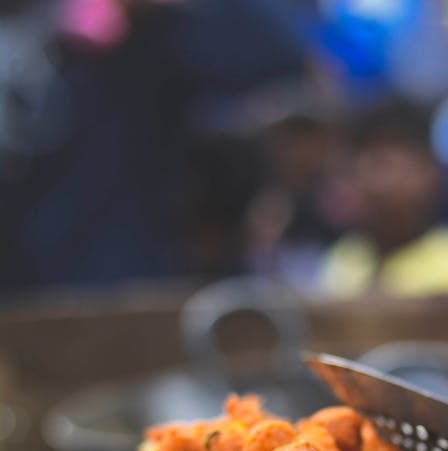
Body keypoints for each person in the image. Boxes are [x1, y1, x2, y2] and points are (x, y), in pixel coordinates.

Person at [0, 0, 305, 290]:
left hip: (119, 286)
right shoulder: (30, 32)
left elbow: (281, 53)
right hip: (20, 289)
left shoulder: (150, 39)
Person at [319, 98, 448, 298]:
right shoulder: (343, 256)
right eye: (379, 164)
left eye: (404, 166)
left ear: (432, 173)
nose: (389, 181)